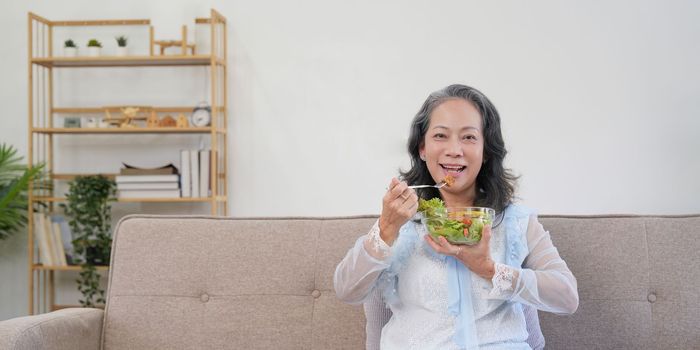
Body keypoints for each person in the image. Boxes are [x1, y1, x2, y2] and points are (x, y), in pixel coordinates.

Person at [334, 84, 578, 349]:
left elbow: (567, 297)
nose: (454, 149)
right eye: (440, 135)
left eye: (469, 137)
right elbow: (347, 290)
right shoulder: (399, 221)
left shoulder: (516, 222)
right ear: (422, 148)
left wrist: (489, 269)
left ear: (486, 151)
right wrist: (385, 229)